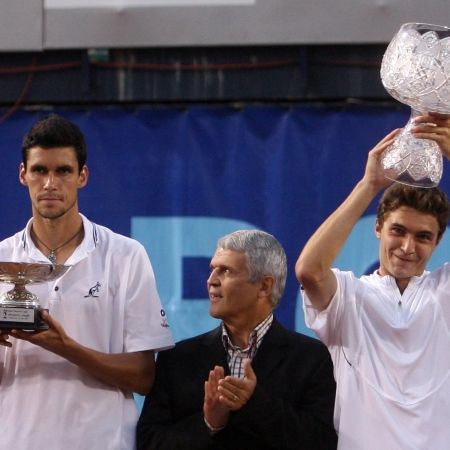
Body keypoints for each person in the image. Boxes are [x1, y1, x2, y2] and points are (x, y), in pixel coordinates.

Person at [0, 114, 174, 450]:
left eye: (63, 170)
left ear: (82, 176)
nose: (50, 183)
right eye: (39, 170)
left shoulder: (126, 255)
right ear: (23, 175)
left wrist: (67, 348)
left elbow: (143, 376)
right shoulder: (3, 259)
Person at [295, 113, 450, 449]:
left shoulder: (444, 292)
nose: (408, 247)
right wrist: (369, 185)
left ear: (438, 242)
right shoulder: (350, 295)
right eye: (398, 230)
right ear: (378, 227)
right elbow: (309, 270)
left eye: (423, 236)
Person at [136, 229, 337, 450]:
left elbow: (321, 442)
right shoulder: (177, 359)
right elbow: (149, 442)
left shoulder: (311, 359)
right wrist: (208, 423)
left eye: (226, 271)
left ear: (264, 286)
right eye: (213, 269)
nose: (211, 281)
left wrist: (256, 403)